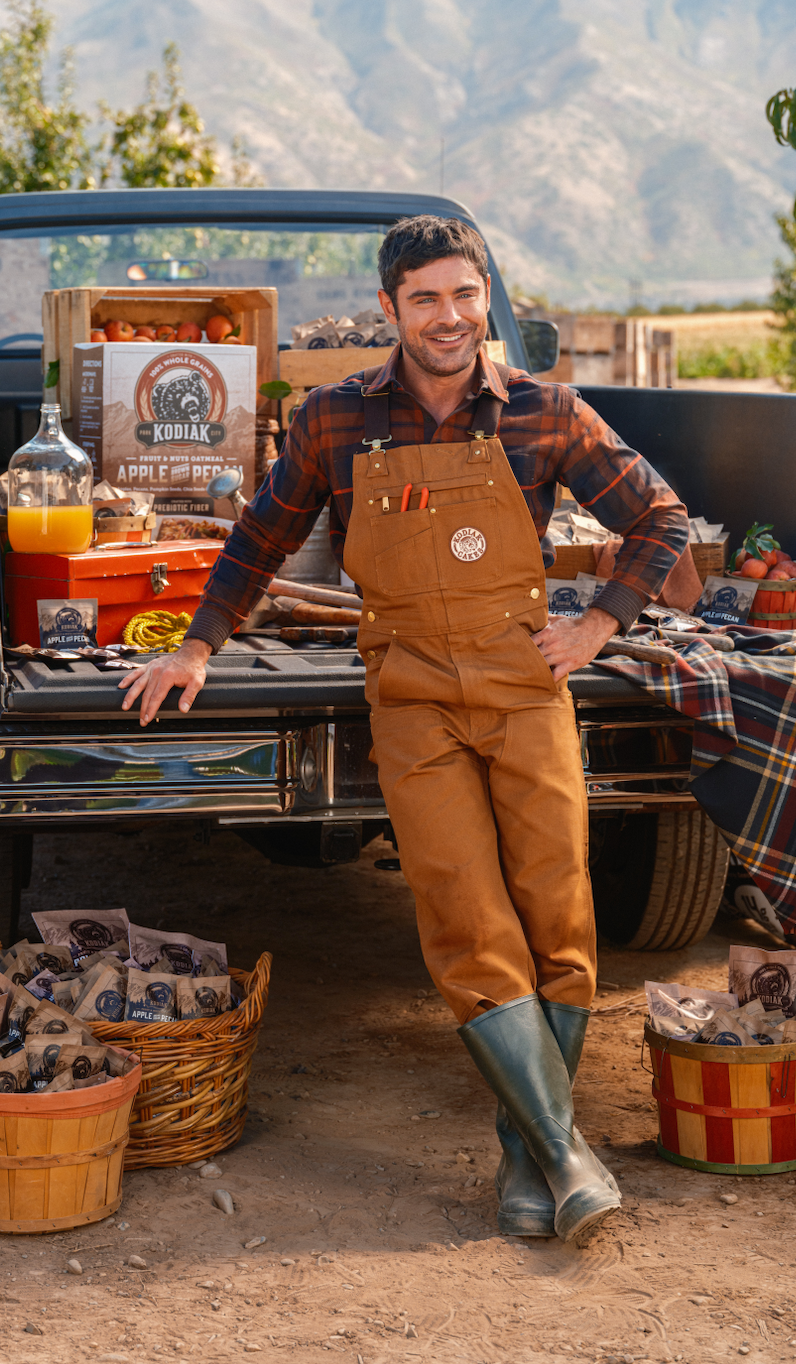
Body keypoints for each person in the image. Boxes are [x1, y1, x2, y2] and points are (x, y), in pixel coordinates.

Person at [119, 215, 689, 1241]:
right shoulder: (334, 420)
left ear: (485, 298)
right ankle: (562, 1151)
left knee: (558, 908)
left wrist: (598, 623)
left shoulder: (548, 412)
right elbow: (261, 534)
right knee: (465, 915)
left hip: (525, 687)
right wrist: (197, 644)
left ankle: (525, 1155)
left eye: (464, 294)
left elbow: (660, 519)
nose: (448, 316)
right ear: (389, 309)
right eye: (424, 297)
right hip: (411, 692)